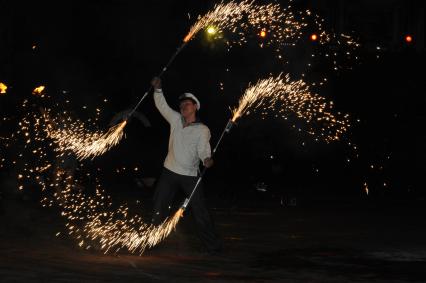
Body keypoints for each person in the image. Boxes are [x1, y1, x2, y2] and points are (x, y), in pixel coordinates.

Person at [150, 77, 222, 254]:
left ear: (195, 106)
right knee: (158, 208)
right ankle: (152, 242)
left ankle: (212, 246)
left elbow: (204, 150)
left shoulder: (202, 129)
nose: (183, 107)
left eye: (187, 104)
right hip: (169, 172)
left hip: (190, 175)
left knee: (200, 211)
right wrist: (158, 90)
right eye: (181, 105)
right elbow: (162, 106)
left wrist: (207, 159)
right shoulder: (175, 120)